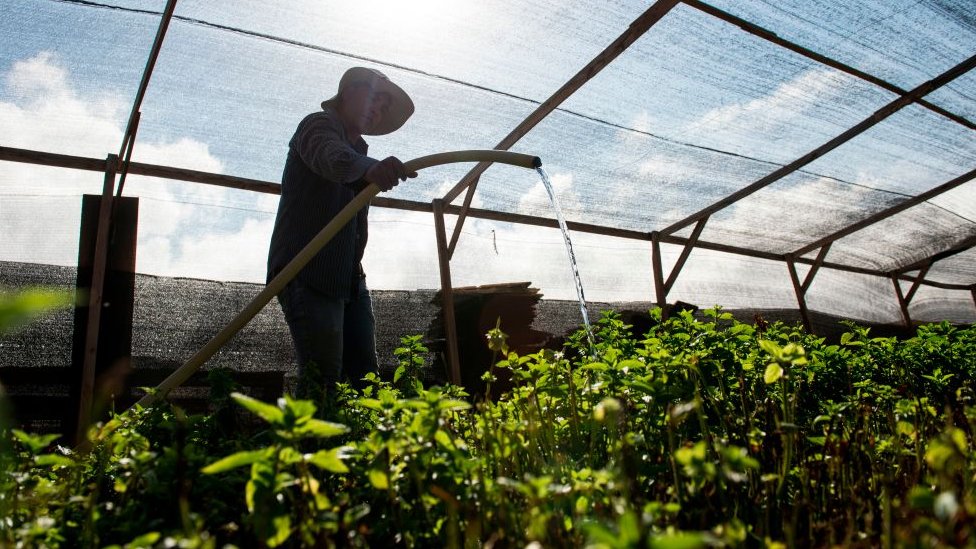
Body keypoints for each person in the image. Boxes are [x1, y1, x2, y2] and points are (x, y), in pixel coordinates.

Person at [267, 66, 416, 402]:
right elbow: (330, 156)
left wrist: (367, 166)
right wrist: (368, 169)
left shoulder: (359, 150)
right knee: (323, 381)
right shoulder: (318, 125)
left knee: (365, 379)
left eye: (383, 106)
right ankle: (310, 450)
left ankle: (361, 450)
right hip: (307, 271)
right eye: (373, 98)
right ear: (348, 92)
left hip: (348, 278)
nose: (377, 110)